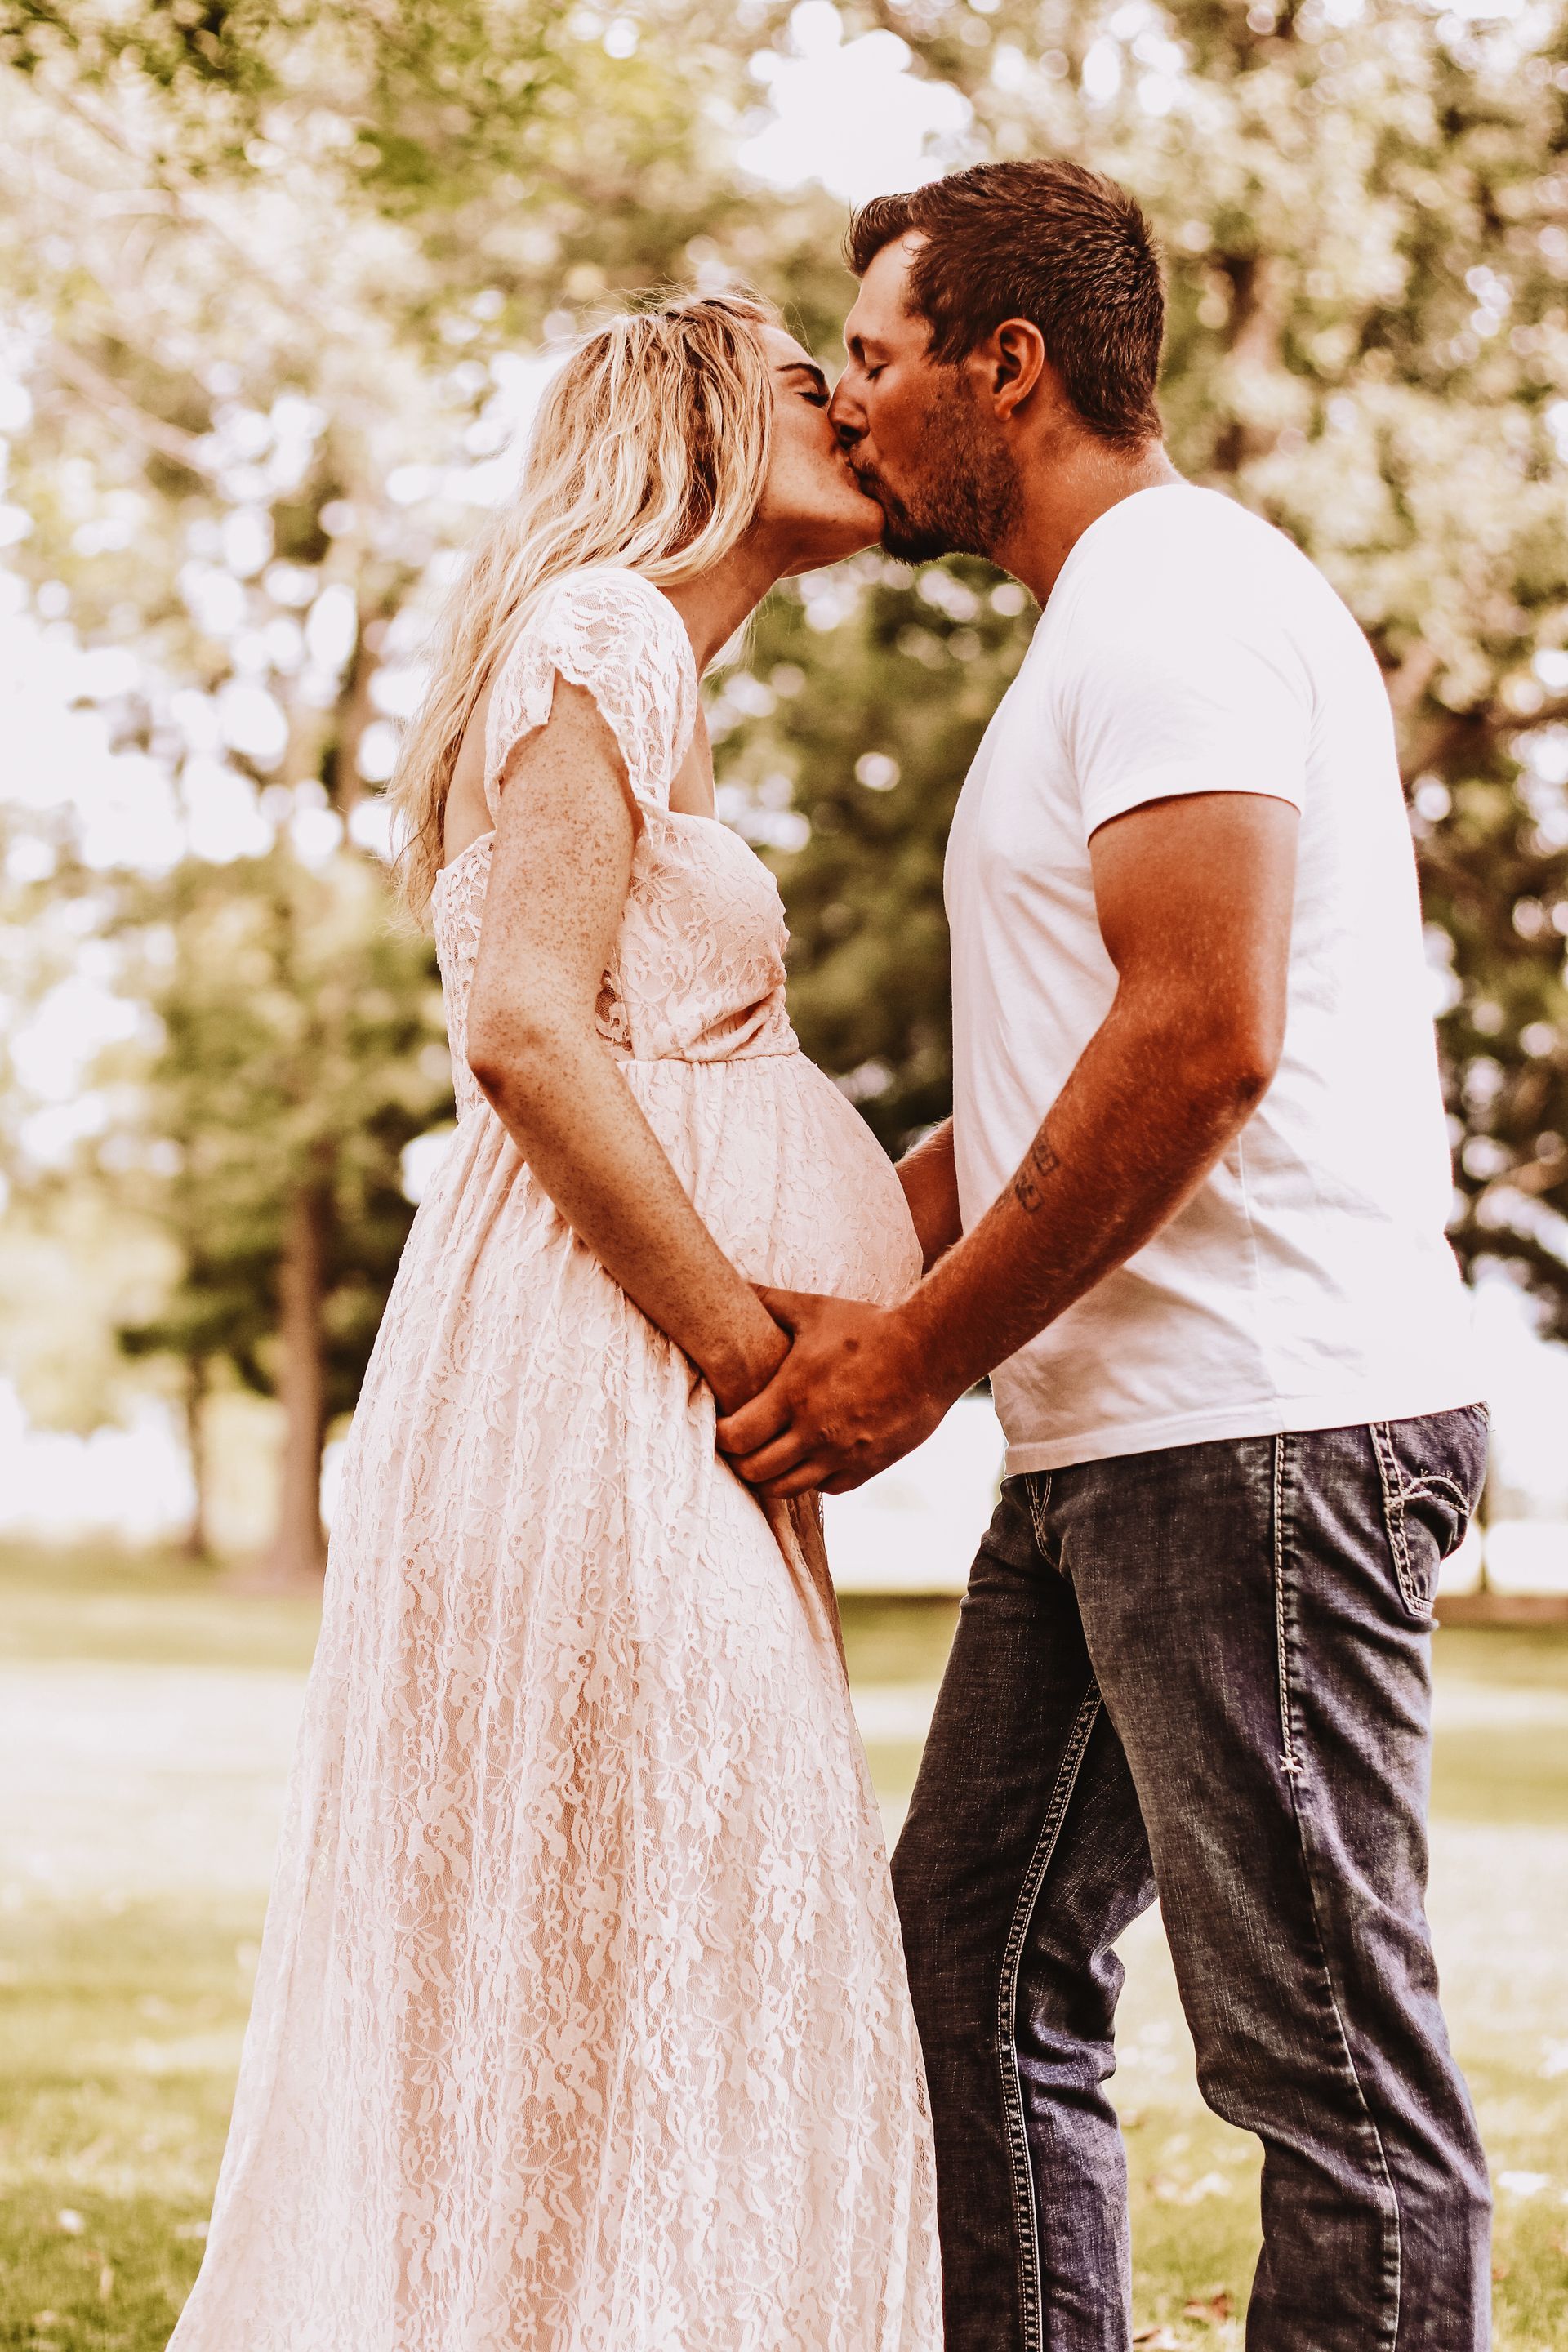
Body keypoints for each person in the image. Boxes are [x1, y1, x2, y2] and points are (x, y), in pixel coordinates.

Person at [719, 162, 1490, 2352]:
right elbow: (1060, 1078)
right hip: (1119, 1449)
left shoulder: (1178, 601)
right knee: (970, 1976)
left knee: (1325, 2074)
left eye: (874, 357)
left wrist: (914, 1361)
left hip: (1257, 1434)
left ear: (1008, 364)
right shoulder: (1105, 628)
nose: (849, 404)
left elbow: (1200, 1035)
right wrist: (811, 1277)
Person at [165, 293, 941, 2352]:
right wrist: (752, 1359)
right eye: (817, 386)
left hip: (621, 1387)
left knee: (623, 1955)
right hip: (610, 1389)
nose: (860, 415)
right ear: (705, 421)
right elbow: (525, 1029)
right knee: (677, 1927)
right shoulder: (607, 628)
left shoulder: (647, 669)